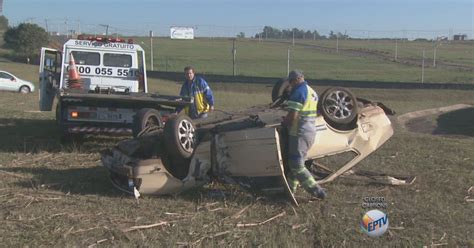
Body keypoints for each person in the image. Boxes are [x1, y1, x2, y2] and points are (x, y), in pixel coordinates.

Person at [283, 69, 327, 199]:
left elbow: (293, 115)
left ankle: (317, 191)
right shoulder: (312, 91)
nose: (290, 85)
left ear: (295, 80)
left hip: (299, 132)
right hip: (310, 131)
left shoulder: (298, 91)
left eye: (291, 82)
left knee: (296, 165)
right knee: (295, 162)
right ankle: (290, 190)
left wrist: (285, 122)